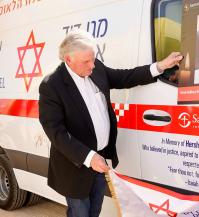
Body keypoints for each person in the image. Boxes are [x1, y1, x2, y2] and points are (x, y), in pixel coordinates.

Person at [38, 30, 182, 217]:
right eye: (86, 61)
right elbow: (56, 132)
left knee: (95, 211)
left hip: (100, 159)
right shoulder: (52, 85)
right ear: (68, 59)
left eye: (94, 58)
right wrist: (89, 157)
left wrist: (160, 66)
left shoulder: (95, 68)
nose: (92, 65)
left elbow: (124, 77)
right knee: (80, 213)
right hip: (76, 166)